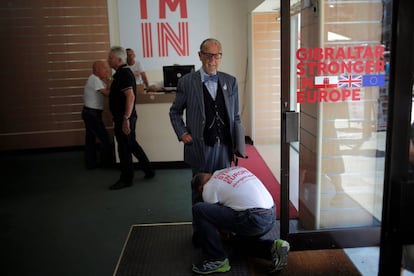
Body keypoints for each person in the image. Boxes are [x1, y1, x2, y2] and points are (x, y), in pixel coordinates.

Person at [169, 38, 246, 203]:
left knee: (225, 188)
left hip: (225, 147)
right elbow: (175, 111)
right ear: (200, 56)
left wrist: (239, 144)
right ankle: (200, 226)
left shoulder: (230, 81)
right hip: (200, 145)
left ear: (221, 57)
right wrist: (182, 133)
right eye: (208, 55)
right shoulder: (187, 82)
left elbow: (236, 115)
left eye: (217, 56)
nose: (213, 60)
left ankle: (222, 226)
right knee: (200, 189)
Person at [191, 166, 290, 274]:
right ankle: (273, 248)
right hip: (271, 215)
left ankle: (216, 260)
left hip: (253, 218)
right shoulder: (233, 170)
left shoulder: (208, 187)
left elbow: (217, 224)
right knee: (235, 244)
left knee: (199, 209)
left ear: (201, 188)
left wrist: (220, 234)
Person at [107, 46, 155, 190]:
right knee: (131, 144)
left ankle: (126, 179)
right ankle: (149, 170)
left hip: (125, 118)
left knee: (124, 149)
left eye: (110, 58)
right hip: (123, 117)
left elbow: (130, 96)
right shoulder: (120, 73)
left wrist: (126, 118)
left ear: (119, 59)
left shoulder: (124, 74)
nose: (108, 61)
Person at [81, 60, 114, 169]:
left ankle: (90, 162)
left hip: (90, 113)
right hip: (92, 114)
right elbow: (107, 94)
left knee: (90, 138)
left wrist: (108, 80)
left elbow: (107, 88)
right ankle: (106, 163)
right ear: (97, 70)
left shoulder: (97, 80)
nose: (107, 70)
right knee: (104, 137)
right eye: (104, 68)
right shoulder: (95, 79)